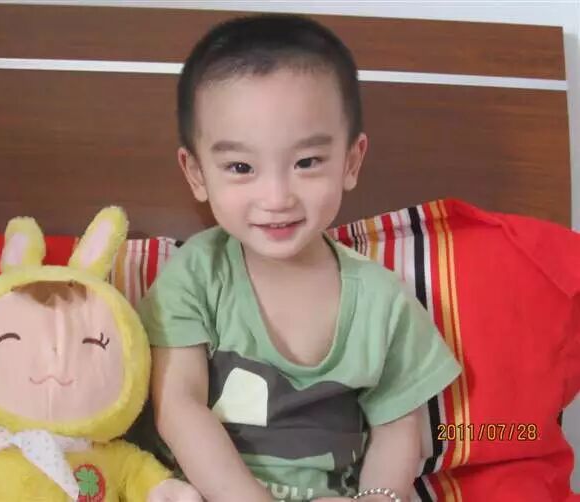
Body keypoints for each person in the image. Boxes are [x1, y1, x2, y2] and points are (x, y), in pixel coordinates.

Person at [138, 13, 461, 502]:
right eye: (240, 166)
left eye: (307, 162)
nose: (277, 197)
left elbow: (399, 429)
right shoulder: (197, 275)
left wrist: (379, 496)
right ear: (197, 173)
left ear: (351, 161)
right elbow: (178, 405)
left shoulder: (382, 303)